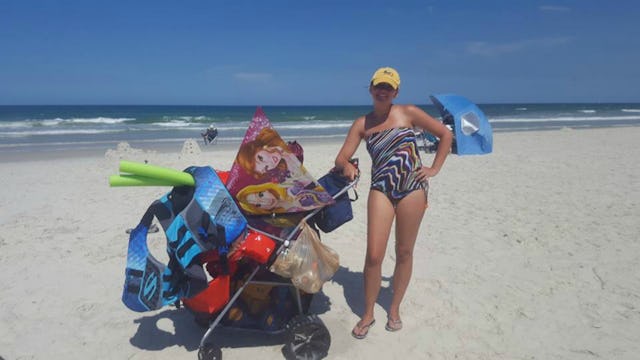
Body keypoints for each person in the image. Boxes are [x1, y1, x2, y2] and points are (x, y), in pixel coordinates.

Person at [333, 67, 452, 339]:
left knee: (404, 251)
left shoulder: (408, 112)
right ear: (371, 89)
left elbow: (446, 135)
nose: (383, 90)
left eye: (388, 87)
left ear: (396, 91)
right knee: (374, 255)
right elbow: (341, 158)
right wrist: (347, 167)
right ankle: (368, 313)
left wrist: (434, 169)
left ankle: (394, 309)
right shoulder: (362, 124)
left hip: (413, 188)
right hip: (381, 189)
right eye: (379, 86)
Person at [236, 128, 304, 182]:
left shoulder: (294, 149)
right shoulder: (282, 169)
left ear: (259, 147)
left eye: (261, 158)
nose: (270, 164)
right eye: (266, 168)